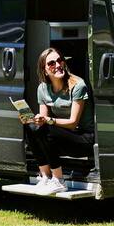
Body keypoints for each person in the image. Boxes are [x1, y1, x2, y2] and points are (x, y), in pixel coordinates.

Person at [24, 48, 94, 195]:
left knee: (47, 129)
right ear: (44, 70)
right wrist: (34, 120)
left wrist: (49, 120)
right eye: (51, 63)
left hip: (83, 139)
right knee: (31, 127)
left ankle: (58, 180)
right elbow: (42, 123)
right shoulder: (43, 88)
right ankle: (45, 176)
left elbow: (73, 122)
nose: (58, 65)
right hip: (63, 137)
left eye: (60, 60)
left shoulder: (78, 85)